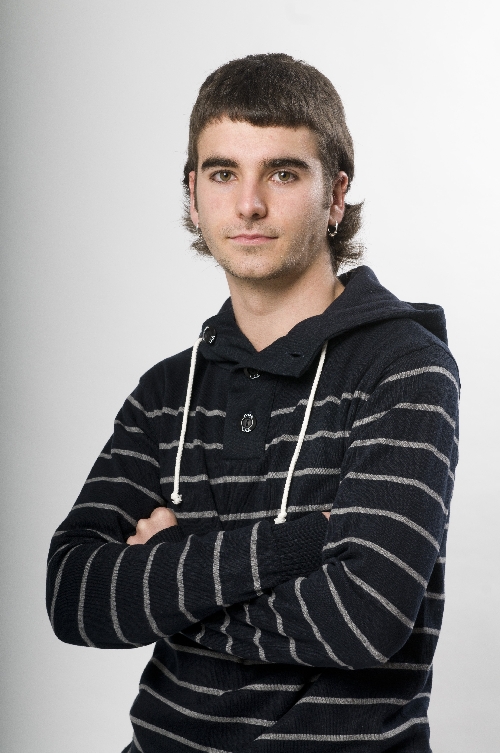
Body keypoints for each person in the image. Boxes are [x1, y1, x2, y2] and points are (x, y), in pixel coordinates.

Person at [46, 53, 459, 753]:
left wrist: (168, 569)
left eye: (283, 173)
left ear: (335, 195)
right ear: (192, 193)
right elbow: (74, 594)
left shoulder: (405, 367)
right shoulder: (165, 392)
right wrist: (298, 544)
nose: (248, 205)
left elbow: (365, 617)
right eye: (222, 173)